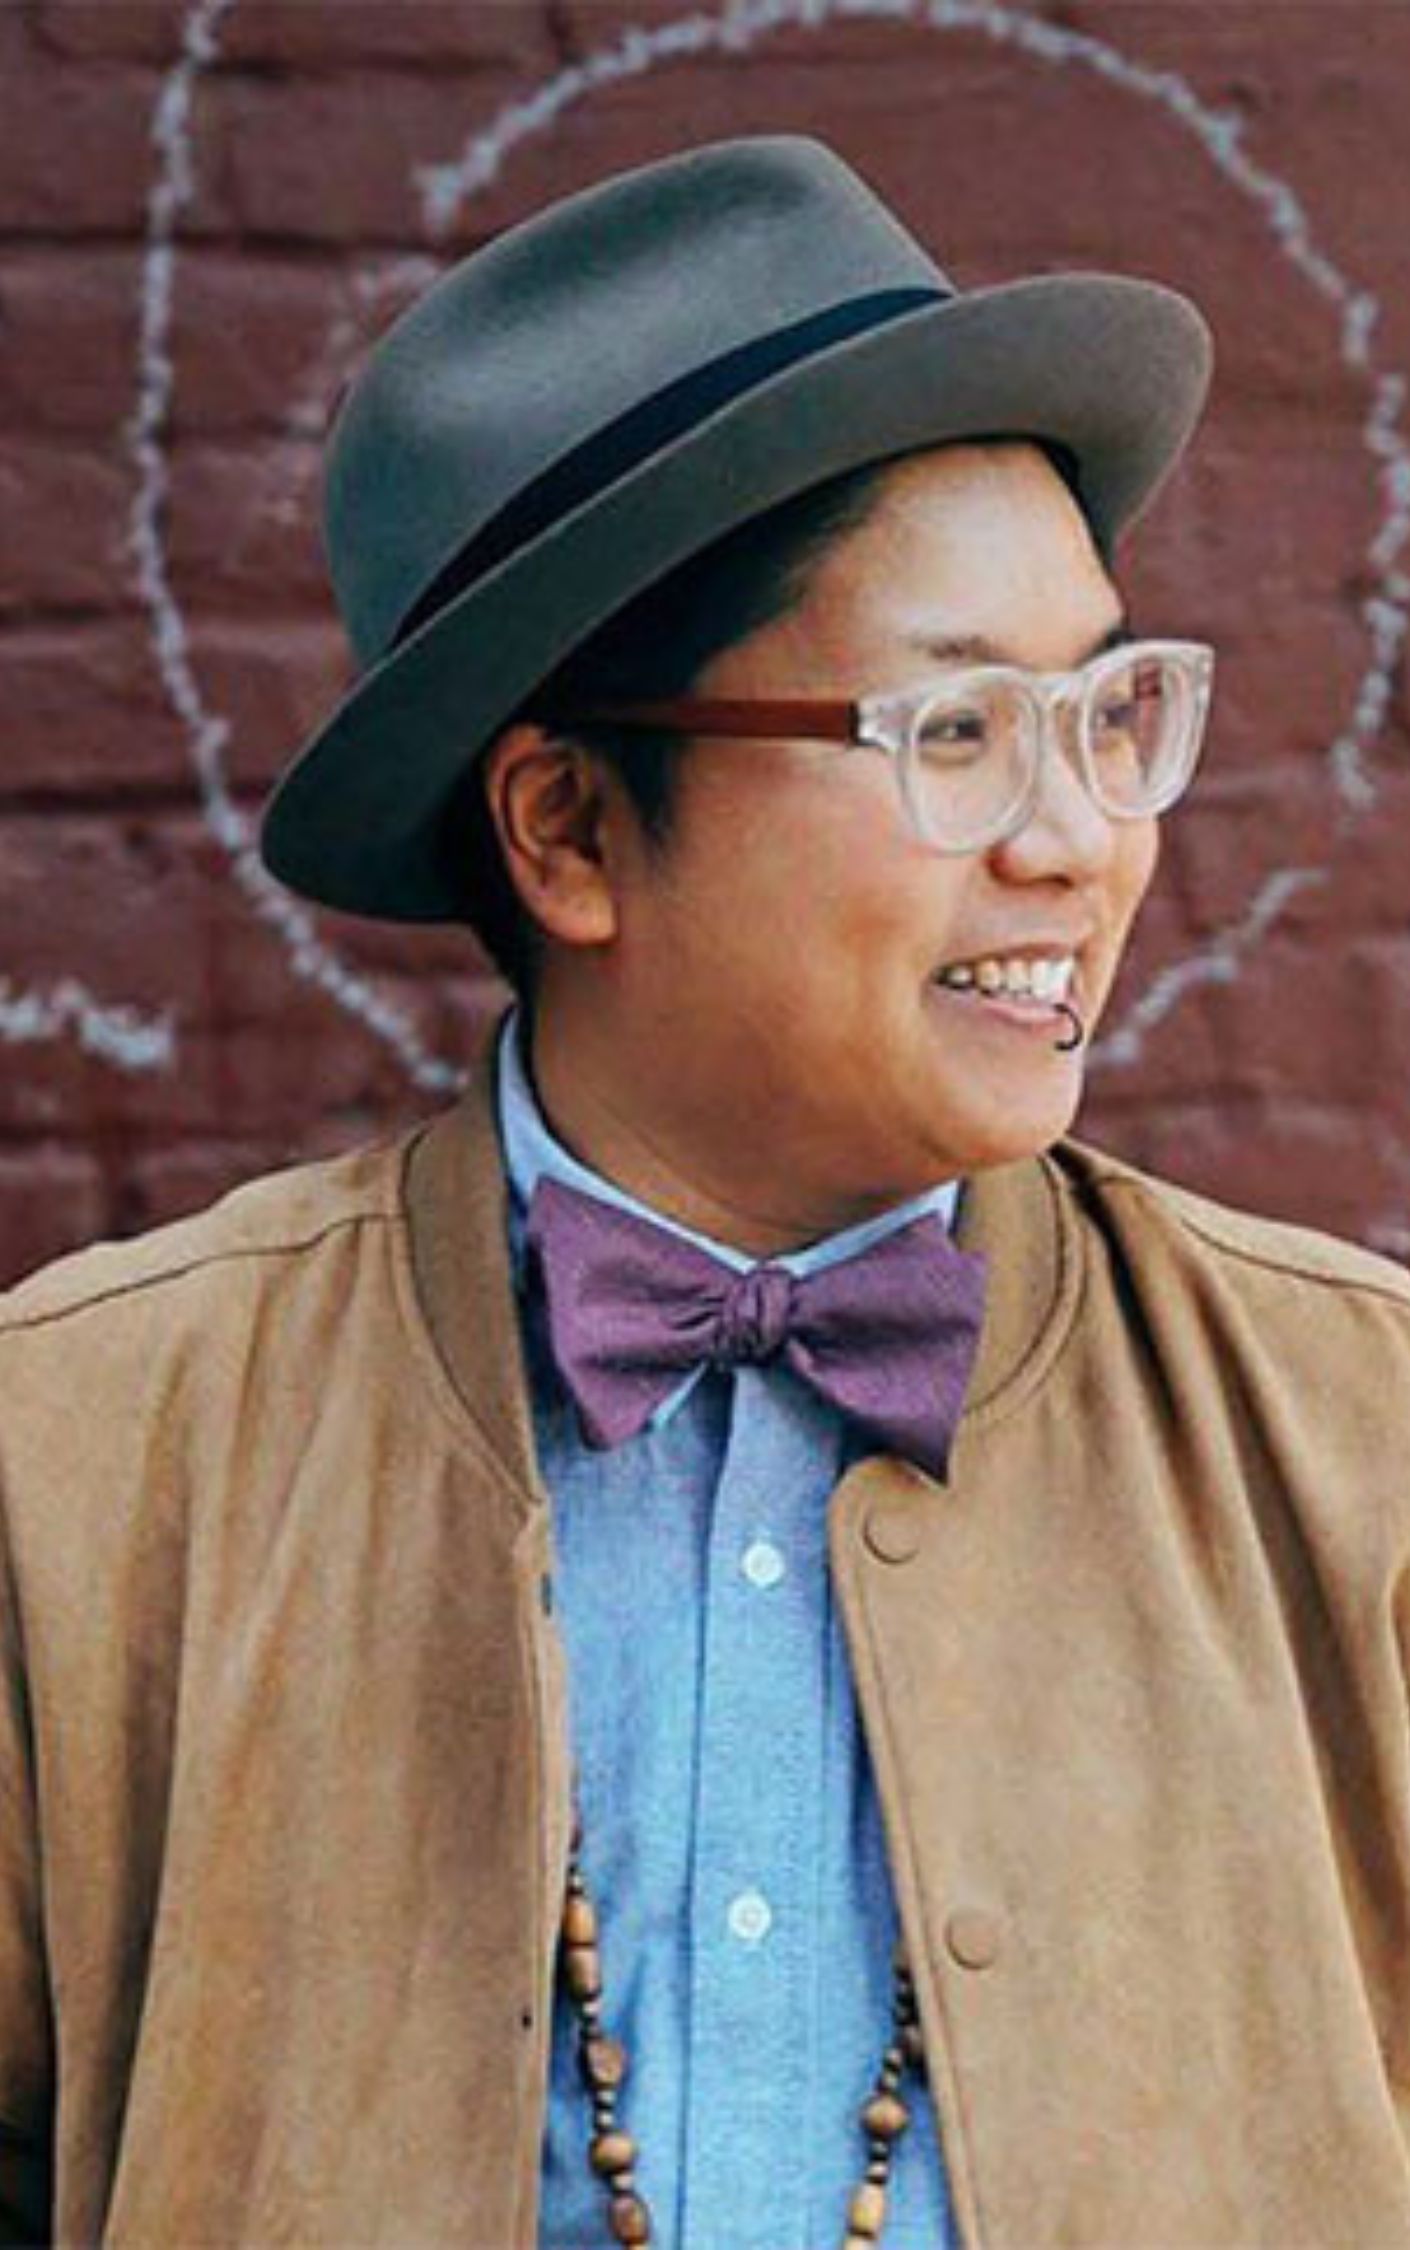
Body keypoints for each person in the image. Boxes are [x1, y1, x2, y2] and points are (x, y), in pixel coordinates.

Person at [2, 134, 1409, 2250]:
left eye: (1109, 711)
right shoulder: (80, 1456)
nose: (1080, 841)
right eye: (957, 729)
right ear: (570, 829)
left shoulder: (1363, 1436)